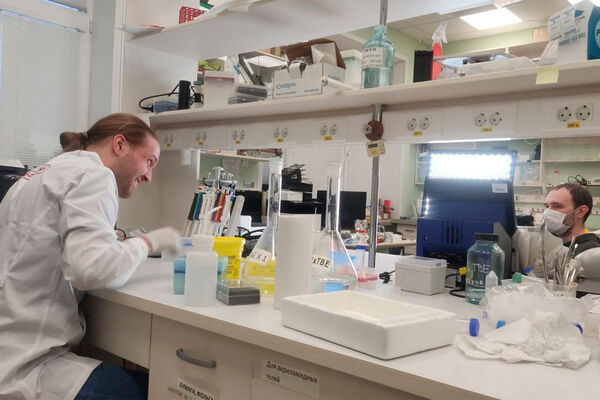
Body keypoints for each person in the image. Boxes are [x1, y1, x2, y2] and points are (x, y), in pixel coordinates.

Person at [0, 113, 180, 399]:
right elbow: (94, 269)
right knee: (166, 391)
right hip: (27, 368)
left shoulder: (42, 172)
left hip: (10, 345)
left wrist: (117, 241)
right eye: (149, 161)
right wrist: (150, 241)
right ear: (119, 144)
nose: (148, 176)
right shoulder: (95, 174)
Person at [543, 182, 600, 257]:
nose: (548, 212)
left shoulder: (589, 253)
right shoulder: (558, 246)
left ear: (580, 211)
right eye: (547, 206)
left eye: (557, 206)